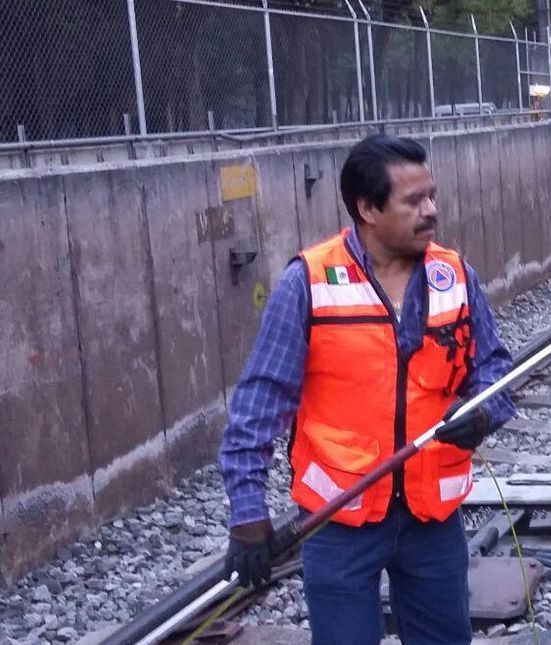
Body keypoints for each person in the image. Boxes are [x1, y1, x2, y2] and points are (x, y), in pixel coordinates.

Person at [218, 134, 516, 644]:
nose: (432, 211)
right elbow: (258, 405)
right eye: (414, 201)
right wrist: (248, 513)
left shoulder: (455, 275)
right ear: (367, 209)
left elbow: (495, 372)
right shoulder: (308, 283)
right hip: (339, 522)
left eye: (432, 196)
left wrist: (484, 412)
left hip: (433, 519)